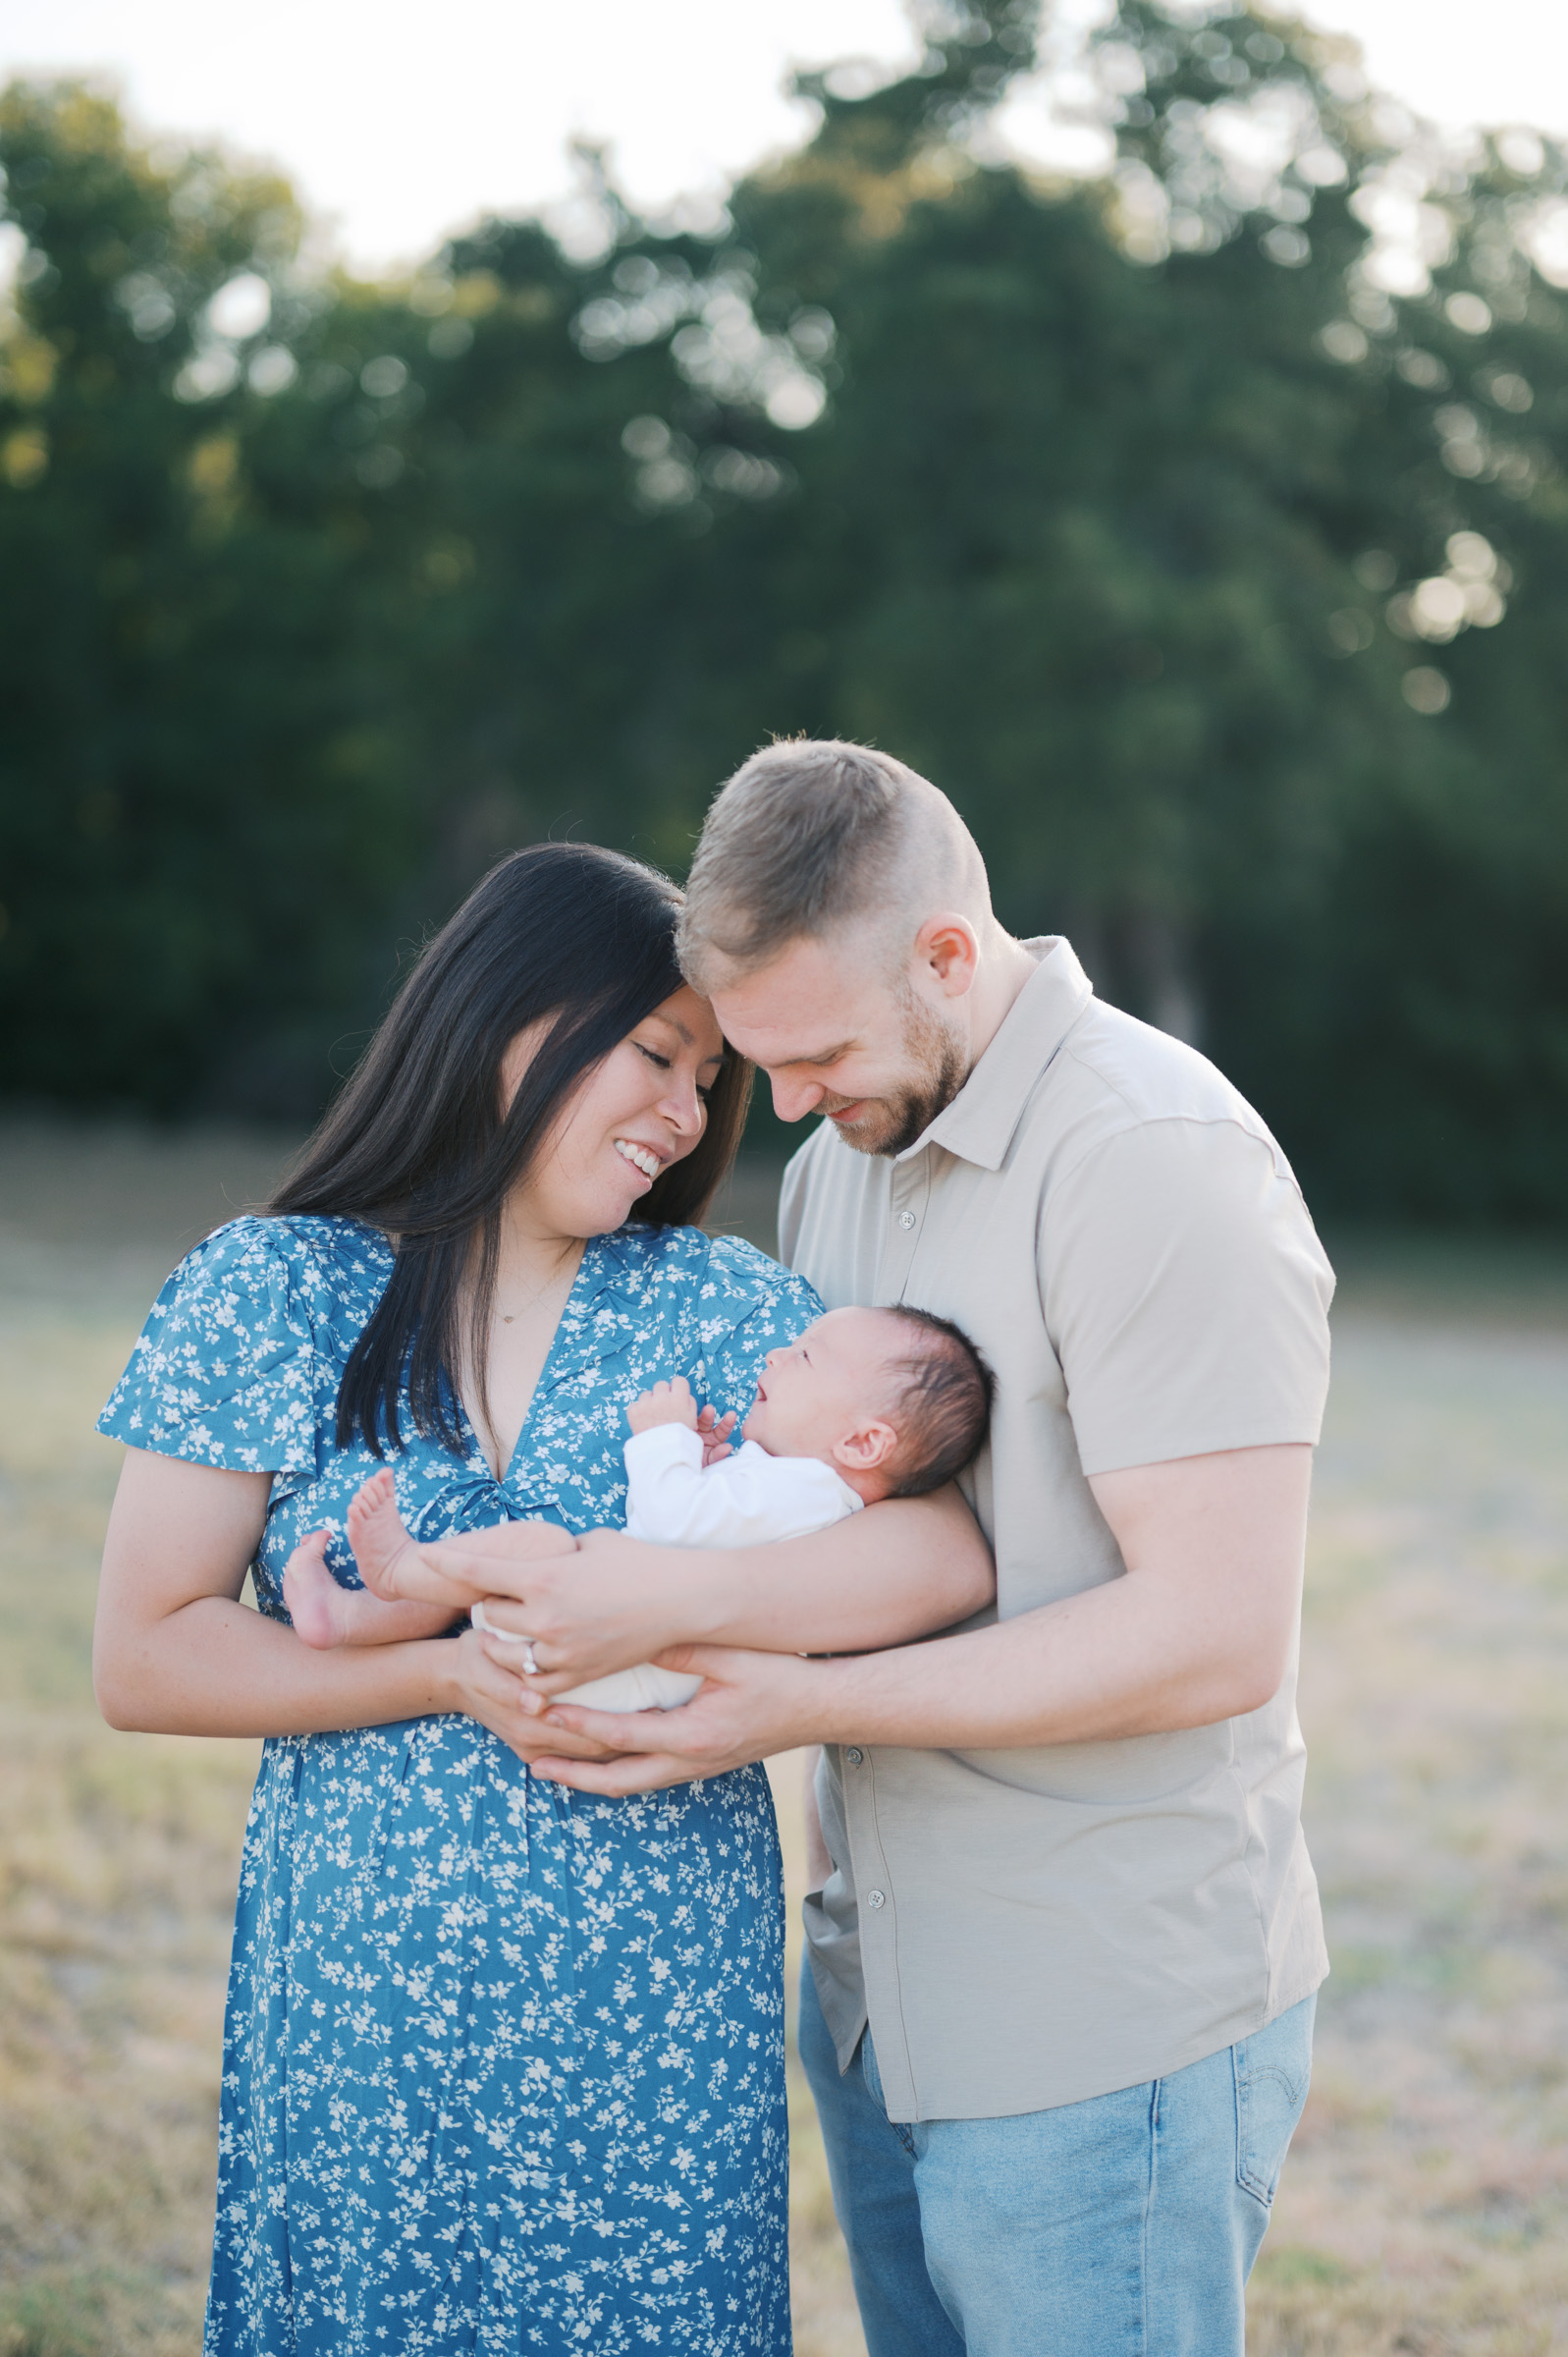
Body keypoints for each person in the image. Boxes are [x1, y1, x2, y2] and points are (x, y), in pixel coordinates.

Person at [90, 839, 992, 2357]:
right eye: (655, 1055)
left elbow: (939, 1561)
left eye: (707, 1079)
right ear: (507, 1016)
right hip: (369, 1998)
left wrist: (655, 1605)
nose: (684, 1113)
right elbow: (148, 1656)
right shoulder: (275, 1288)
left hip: (652, 2000)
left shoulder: (718, 1307)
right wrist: (445, 1676)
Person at [503, 744, 1336, 2357]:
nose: (789, 1106)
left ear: (949, 955)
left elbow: (1215, 1630)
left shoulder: (1152, 1163)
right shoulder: (841, 1170)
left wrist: (788, 1708)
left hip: (1097, 2025)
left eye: (816, 1051)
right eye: (769, 1064)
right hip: (883, 1998)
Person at [286, 1304, 993, 1723]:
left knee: (534, 1545)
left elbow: (673, 1528)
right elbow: (713, 1532)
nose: (778, 1351)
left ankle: (398, 1571)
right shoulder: (802, 1492)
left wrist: (662, 1440)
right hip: (614, 1666)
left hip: (615, 1669)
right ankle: (351, 1617)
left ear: (862, 1442)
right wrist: (713, 1464)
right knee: (504, 1577)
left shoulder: (806, 1493)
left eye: (804, 1355)